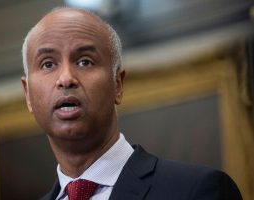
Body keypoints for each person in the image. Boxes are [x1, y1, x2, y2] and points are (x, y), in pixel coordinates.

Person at [20, 7, 242, 200]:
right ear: (28, 94)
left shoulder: (197, 191)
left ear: (117, 84)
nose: (66, 78)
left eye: (84, 61)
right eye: (48, 64)